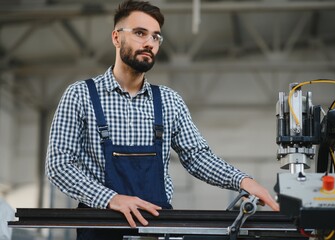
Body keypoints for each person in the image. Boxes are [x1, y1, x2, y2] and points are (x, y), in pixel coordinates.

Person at [45, 0, 279, 239]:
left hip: (156, 228)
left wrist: (243, 180)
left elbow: (197, 156)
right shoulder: (80, 95)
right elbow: (59, 164)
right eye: (139, 33)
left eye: (156, 37)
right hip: (100, 227)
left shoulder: (169, 101)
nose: (149, 43)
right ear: (116, 38)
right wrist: (111, 199)